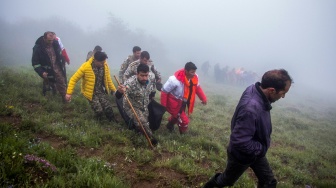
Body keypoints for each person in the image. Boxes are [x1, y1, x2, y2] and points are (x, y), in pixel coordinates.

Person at [203, 69, 293, 188]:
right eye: (283, 93)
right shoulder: (251, 108)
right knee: (226, 180)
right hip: (242, 155)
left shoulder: (254, 89)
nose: (283, 96)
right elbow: (240, 141)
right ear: (271, 90)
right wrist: (261, 149)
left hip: (254, 151)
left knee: (269, 182)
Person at [65, 51, 117, 122]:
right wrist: (69, 93)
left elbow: (108, 80)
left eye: (104, 62)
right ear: (95, 60)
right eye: (101, 62)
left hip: (100, 91)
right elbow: (73, 79)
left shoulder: (105, 66)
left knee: (108, 107)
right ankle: (100, 122)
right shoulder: (86, 67)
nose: (103, 64)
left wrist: (114, 91)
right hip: (90, 92)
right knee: (99, 110)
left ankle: (113, 121)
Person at [116, 63, 158, 145]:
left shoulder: (150, 78)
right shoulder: (130, 83)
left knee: (145, 122)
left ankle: (135, 127)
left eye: (146, 75)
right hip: (132, 106)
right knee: (142, 123)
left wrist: (152, 94)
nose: (144, 78)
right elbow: (118, 95)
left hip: (144, 106)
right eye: (142, 75)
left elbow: (152, 88)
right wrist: (120, 91)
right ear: (137, 74)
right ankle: (152, 140)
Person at [161, 62, 207, 134]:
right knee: (184, 120)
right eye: (192, 72)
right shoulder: (174, 80)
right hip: (173, 102)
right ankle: (182, 135)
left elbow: (197, 88)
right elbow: (164, 91)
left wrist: (203, 98)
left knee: (177, 115)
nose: (193, 74)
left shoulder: (194, 78)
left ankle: (170, 125)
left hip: (183, 102)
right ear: (186, 71)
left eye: (194, 72)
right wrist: (163, 106)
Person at [32, 31, 67, 102]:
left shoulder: (55, 43)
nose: (51, 42)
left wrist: (62, 59)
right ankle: (47, 98)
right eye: (49, 40)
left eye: (52, 40)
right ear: (44, 38)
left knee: (62, 82)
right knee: (49, 84)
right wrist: (41, 72)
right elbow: (35, 63)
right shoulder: (38, 48)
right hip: (46, 71)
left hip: (57, 68)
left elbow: (59, 53)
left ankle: (65, 99)